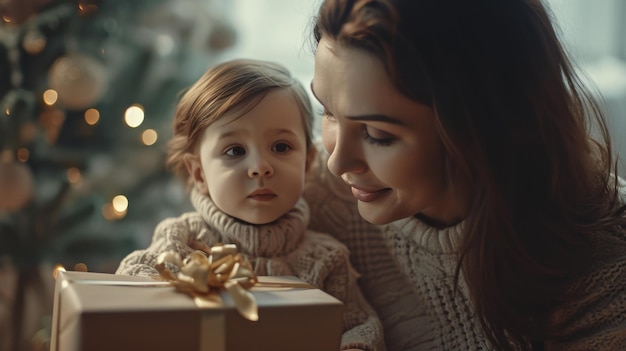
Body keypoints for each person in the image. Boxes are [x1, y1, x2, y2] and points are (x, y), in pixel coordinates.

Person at [303, 0, 626, 350]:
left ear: (486, 126)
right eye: (328, 112)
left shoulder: (607, 273)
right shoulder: (303, 191)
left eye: (378, 134)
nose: (337, 162)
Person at [116, 59, 385, 351]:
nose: (259, 167)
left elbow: (359, 325)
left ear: (308, 162)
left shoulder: (327, 258)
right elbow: (130, 282)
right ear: (199, 173)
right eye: (235, 151)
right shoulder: (182, 239)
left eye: (281, 147)